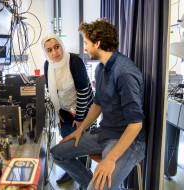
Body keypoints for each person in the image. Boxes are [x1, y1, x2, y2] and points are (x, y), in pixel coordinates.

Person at [50, 19, 146, 190]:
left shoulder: (125, 72)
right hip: (105, 133)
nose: (85, 48)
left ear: (98, 43)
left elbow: (136, 124)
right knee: (57, 154)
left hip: (128, 140)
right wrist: (80, 130)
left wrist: (110, 159)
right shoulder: (100, 69)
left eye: (86, 43)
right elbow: (97, 105)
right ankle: (91, 186)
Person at [42, 33, 94, 184]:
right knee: (66, 141)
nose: (54, 53)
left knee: (82, 143)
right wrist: (57, 113)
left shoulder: (74, 61)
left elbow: (84, 90)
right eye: (49, 50)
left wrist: (79, 117)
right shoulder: (47, 65)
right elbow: (49, 89)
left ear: (61, 45)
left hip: (83, 107)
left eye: (56, 47)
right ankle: (72, 172)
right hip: (63, 110)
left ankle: (85, 178)